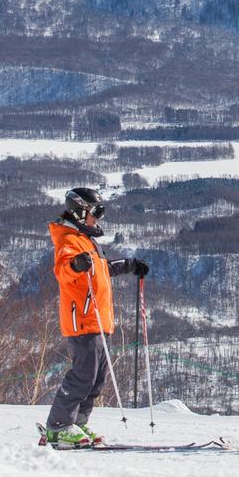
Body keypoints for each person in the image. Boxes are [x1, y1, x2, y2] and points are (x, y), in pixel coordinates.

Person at [44, 187, 148, 449]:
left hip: (100, 321)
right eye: (96, 212)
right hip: (83, 320)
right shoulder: (68, 239)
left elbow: (100, 270)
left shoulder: (85, 239)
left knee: (97, 378)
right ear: (80, 212)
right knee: (83, 375)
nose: (99, 218)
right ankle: (58, 425)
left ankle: (76, 422)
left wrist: (129, 265)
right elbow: (63, 270)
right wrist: (75, 265)